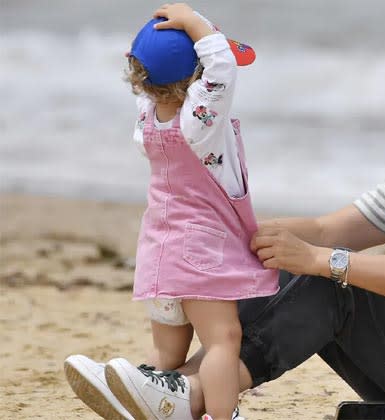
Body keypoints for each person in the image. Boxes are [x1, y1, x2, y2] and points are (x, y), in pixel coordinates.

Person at [66, 19, 385, 420]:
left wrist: (318, 260)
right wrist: (226, 237)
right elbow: (325, 230)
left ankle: (187, 392)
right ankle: (178, 384)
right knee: (290, 264)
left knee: (336, 279)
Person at [65, 3, 277, 420]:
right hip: (201, 249)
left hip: (159, 251)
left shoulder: (147, 119)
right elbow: (221, 69)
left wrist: (155, 43)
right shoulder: (200, 122)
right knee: (222, 339)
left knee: (167, 350)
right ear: (197, 79)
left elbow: (159, 72)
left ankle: (144, 395)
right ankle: (222, 415)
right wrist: (196, 23)